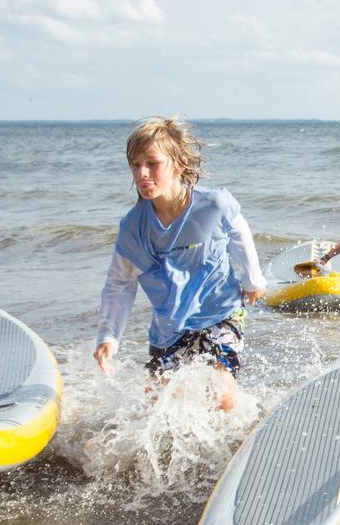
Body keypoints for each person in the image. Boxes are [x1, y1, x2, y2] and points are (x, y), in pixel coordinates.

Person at [94, 116, 266, 411]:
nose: (142, 173)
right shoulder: (135, 227)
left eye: (152, 163)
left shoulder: (213, 205)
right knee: (157, 403)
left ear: (178, 165)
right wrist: (109, 335)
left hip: (221, 312)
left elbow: (238, 230)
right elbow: (121, 283)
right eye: (135, 164)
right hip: (170, 326)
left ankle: (233, 447)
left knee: (222, 395)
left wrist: (253, 279)